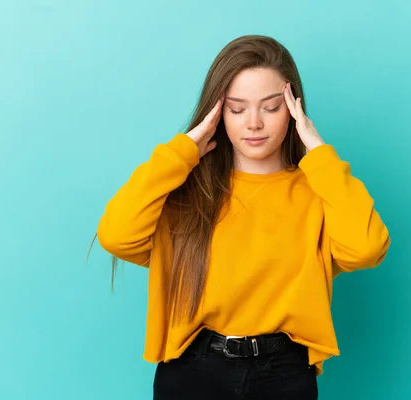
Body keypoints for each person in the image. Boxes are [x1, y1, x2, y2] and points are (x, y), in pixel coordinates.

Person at [94, 34, 390, 399]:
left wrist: (320, 154)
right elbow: (117, 236)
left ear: (294, 108)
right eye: (237, 109)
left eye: (270, 107)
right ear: (216, 113)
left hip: (284, 374)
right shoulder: (187, 191)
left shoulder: (319, 192)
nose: (253, 123)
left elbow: (366, 249)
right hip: (192, 371)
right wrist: (182, 152)